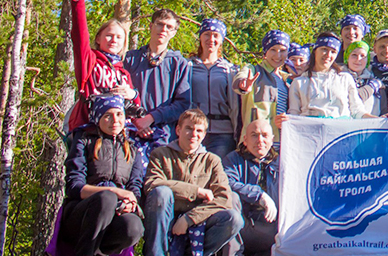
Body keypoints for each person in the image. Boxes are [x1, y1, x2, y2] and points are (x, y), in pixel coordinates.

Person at [142, 109, 244, 256]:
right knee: (161, 193)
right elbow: (152, 184)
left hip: (198, 223)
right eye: (188, 128)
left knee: (234, 219)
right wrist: (196, 191)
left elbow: (223, 199)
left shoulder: (212, 160)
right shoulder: (161, 154)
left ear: (204, 134)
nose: (193, 134)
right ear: (178, 130)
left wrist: (189, 219)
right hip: (165, 218)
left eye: (199, 130)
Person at [57, 95, 145, 256]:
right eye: (108, 116)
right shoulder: (84, 141)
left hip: (114, 215)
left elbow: (135, 187)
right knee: (107, 198)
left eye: (119, 115)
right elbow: (74, 187)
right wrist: (114, 192)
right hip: (80, 215)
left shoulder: (132, 148)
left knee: (134, 226)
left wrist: (131, 202)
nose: (115, 121)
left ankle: (99, 254)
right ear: (98, 117)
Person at [65, 0, 141, 134]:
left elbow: (134, 107)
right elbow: (79, 33)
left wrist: (132, 95)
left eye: (119, 37)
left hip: (119, 132)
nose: (114, 40)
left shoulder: (123, 73)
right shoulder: (90, 60)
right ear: (98, 38)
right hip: (89, 130)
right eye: (109, 35)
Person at [123, 9, 192, 159]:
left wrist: (151, 118)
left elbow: (182, 104)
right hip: (130, 132)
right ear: (151, 26)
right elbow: (121, 95)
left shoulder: (179, 64)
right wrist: (137, 121)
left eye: (169, 27)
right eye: (160, 24)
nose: (163, 30)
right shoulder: (130, 59)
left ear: (174, 32)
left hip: (163, 137)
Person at [222, 119, 279, 256]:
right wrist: (260, 195)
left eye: (264, 135)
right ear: (245, 140)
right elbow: (227, 182)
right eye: (254, 135)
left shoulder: (282, 162)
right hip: (242, 226)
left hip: (273, 230)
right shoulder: (232, 159)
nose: (260, 140)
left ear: (272, 139)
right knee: (231, 196)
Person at [287, 33, 376, 119]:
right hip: (310, 131)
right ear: (315, 51)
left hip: (340, 132)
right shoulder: (299, 82)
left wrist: (379, 120)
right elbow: (294, 114)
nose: (328, 55)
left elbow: (357, 111)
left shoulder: (344, 78)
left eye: (333, 52)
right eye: (324, 49)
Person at [190, 19, 239, 158]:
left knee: (216, 174)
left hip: (222, 132)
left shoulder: (230, 70)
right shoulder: (188, 66)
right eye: (207, 34)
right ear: (200, 37)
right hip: (194, 129)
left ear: (222, 40)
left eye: (215, 35)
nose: (211, 39)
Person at [232, 30, 291, 147]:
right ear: (265, 52)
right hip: (255, 142)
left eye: (283, 51)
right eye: (273, 50)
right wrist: (243, 85)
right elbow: (239, 80)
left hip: (281, 142)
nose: (278, 55)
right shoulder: (253, 70)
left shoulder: (288, 80)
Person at [342, 39, 383, 115]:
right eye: (354, 55)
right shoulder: (339, 77)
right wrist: (370, 87)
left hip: (371, 124)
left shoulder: (373, 78)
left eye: (362, 56)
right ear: (347, 57)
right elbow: (353, 99)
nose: (358, 59)